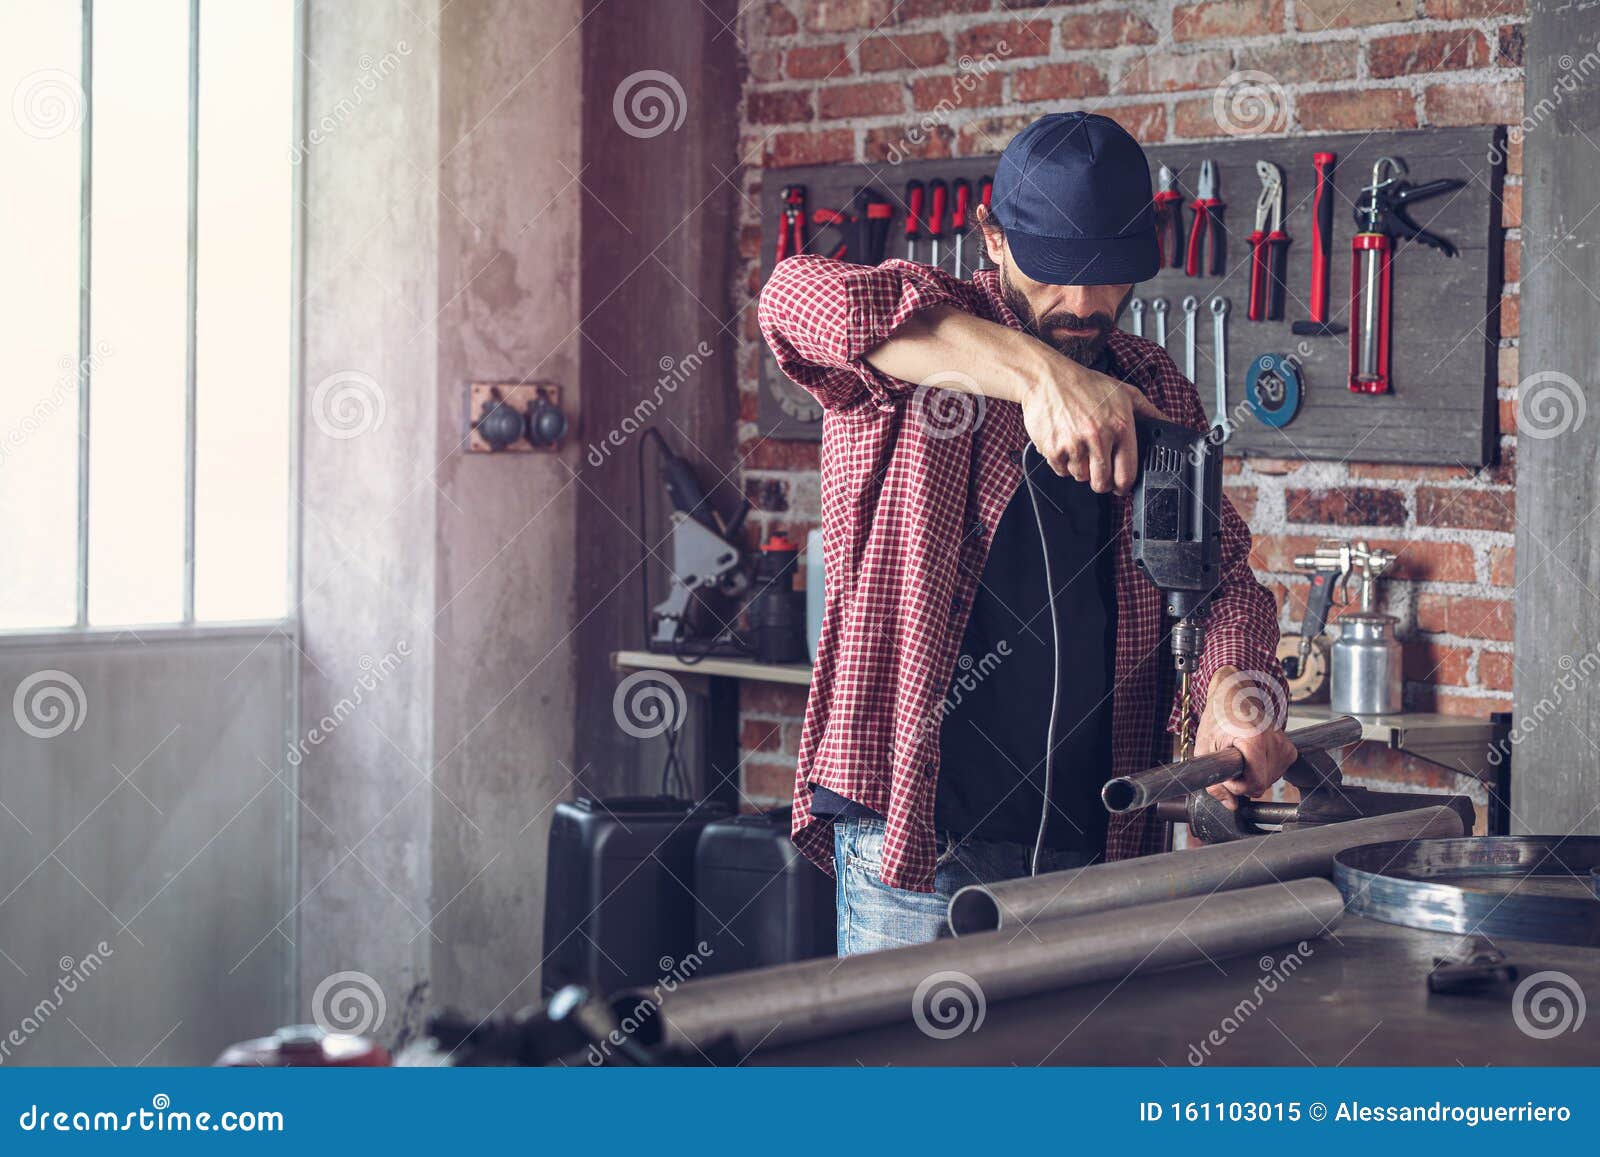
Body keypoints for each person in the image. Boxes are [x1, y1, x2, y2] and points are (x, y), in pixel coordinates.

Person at [758, 111, 1294, 955]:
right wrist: (1044, 375)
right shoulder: (921, 349)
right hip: (921, 844)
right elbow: (792, 298)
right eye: (1057, 274)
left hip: (1098, 842)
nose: (1084, 305)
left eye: (1110, 277)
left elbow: (1222, 579)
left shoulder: (1152, 387)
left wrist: (1233, 691)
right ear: (993, 237)